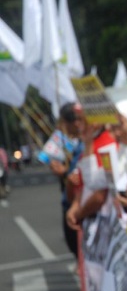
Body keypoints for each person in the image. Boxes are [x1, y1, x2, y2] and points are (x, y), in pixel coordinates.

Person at [38, 102, 85, 258]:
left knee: (80, 248)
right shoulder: (72, 142)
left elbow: (81, 175)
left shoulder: (87, 143)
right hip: (73, 202)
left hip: (81, 206)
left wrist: (66, 173)